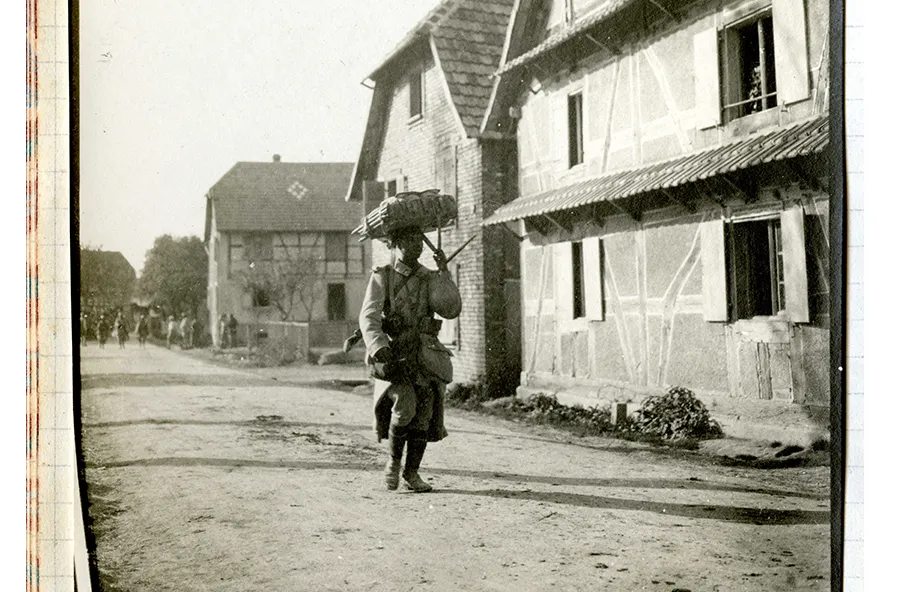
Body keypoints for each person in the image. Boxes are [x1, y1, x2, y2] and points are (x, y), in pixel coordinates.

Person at [359, 226, 461, 493]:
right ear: (396, 244)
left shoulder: (428, 277)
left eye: (419, 241)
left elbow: (450, 309)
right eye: (409, 241)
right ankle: (393, 464)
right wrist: (379, 346)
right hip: (396, 354)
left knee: (425, 413)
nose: (417, 246)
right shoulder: (384, 276)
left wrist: (444, 272)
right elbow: (368, 317)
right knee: (405, 407)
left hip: (425, 353)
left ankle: (412, 473)